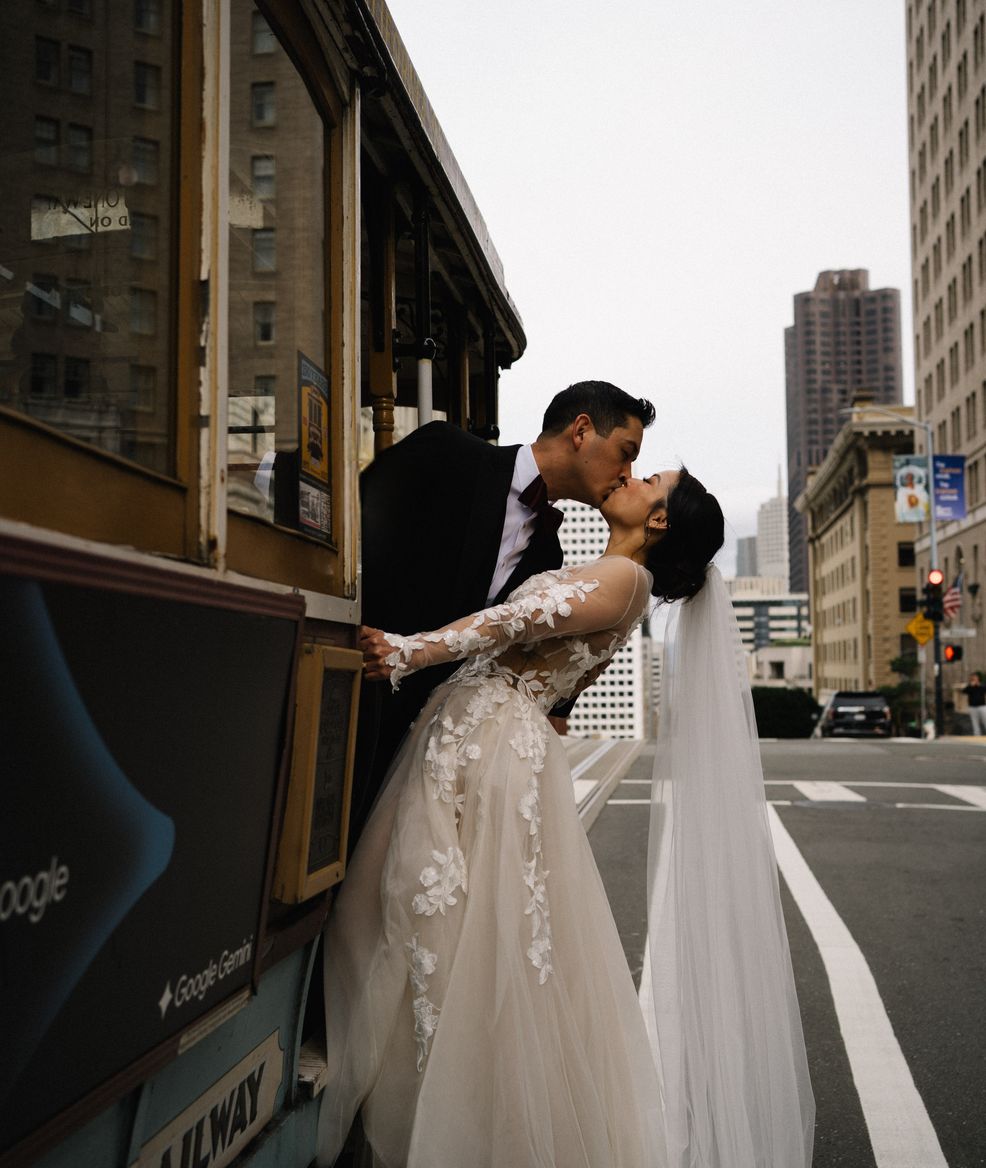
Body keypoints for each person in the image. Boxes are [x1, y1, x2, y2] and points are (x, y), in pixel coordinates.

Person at [317, 469, 815, 1168]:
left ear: (661, 519)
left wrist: (412, 649)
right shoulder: (613, 578)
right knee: (423, 921)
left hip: (487, 746)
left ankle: (459, 1125)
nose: (630, 478)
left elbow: (514, 620)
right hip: (483, 742)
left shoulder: (623, 579)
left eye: (648, 478)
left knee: (427, 927)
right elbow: (558, 683)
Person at [349, 381, 656, 841]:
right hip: (354, 692)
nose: (627, 472)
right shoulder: (445, 451)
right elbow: (348, 534)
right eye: (625, 451)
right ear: (582, 431)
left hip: (430, 746)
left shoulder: (549, 554)